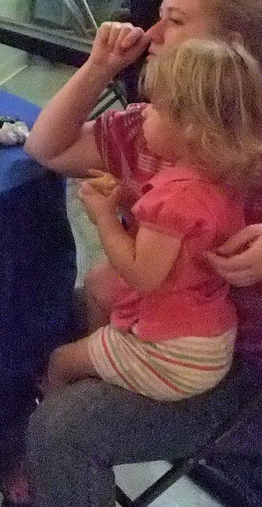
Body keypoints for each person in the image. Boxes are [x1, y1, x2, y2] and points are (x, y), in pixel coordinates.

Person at [20, 0, 262, 507]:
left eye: (174, 21)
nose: (151, 35)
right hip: (176, 338)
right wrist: (98, 66)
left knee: (60, 428)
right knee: (72, 302)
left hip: (243, 369)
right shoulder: (158, 129)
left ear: (233, 44)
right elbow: (47, 149)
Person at [44, 39, 262, 402]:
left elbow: (141, 274)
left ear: (193, 127)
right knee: (98, 296)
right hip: (210, 334)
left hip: (174, 351)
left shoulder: (173, 197)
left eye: (156, 107)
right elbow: (187, 234)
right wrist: (128, 196)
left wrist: (104, 218)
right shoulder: (220, 179)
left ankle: (51, 423)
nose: (143, 112)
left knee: (60, 362)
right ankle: (104, 363)